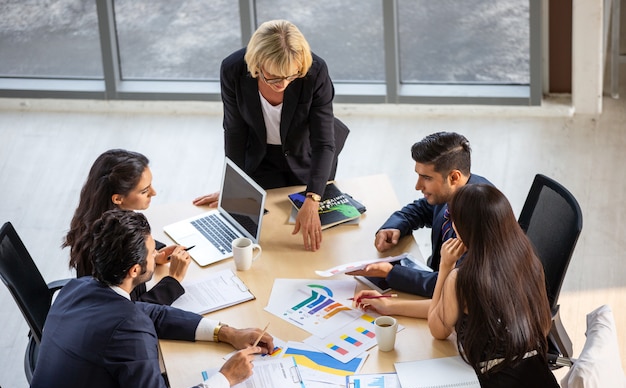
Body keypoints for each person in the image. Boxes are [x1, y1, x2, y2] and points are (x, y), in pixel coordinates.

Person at [25, 210, 274, 388]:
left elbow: (152, 314)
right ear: (135, 270)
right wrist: (226, 377)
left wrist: (226, 332)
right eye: (152, 251)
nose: (157, 255)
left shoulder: (77, 288)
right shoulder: (128, 330)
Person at [353, 184, 563, 388]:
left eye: (453, 218)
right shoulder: (529, 261)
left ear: (465, 228)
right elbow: (542, 325)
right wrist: (391, 306)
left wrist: (445, 267)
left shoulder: (463, 277)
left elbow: (438, 327)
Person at [192, 19, 349, 252]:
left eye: (291, 76)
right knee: (263, 230)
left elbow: (324, 142)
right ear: (256, 64)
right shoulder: (233, 69)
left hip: (307, 154)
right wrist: (235, 187)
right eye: (274, 77)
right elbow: (235, 132)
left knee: (312, 233)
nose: (283, 84)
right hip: (260, 155)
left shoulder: (315, 70)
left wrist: (313, 197)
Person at [346, 131, 491, 297]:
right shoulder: (455, 192)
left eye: (426, 178)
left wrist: (392, 273)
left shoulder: (479, 218)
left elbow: (455, 286)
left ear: (453, 177)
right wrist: (395, 226)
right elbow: (422, 209)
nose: (418, 185)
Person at [63, 149, 187, 305]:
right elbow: (131, 312)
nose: (154, 193)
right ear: (118, 199)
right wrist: (173, 281)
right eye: (144, 191)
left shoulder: (101, 221)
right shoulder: (108, 245)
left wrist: (154, 255)